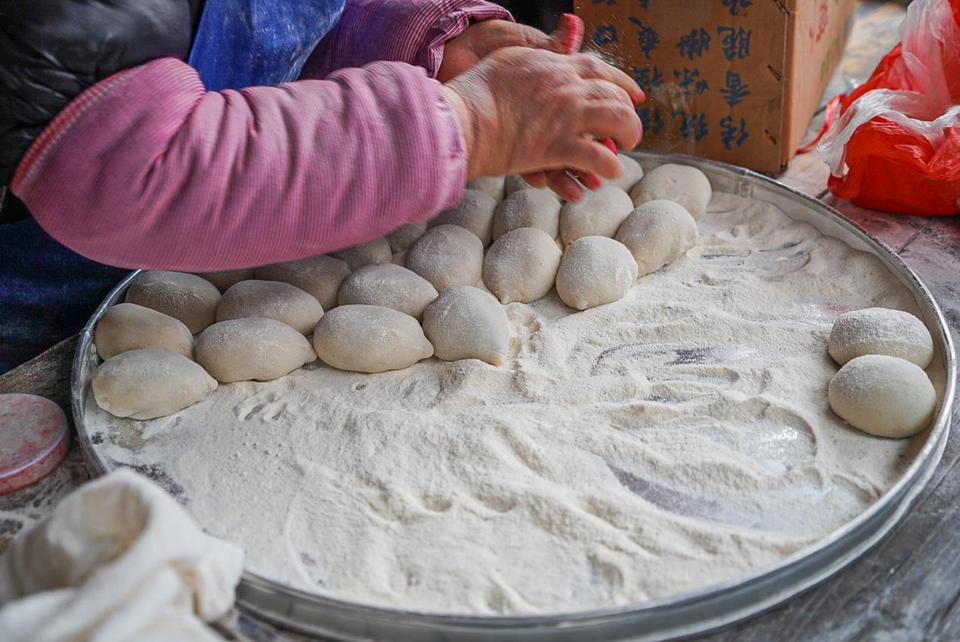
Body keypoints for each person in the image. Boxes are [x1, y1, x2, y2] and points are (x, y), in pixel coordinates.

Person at [0, 0, 643, 373]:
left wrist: (428, 46)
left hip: (247, 214)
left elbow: (291, 20)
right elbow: (133, 174)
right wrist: (472, 122)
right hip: (39, 305)